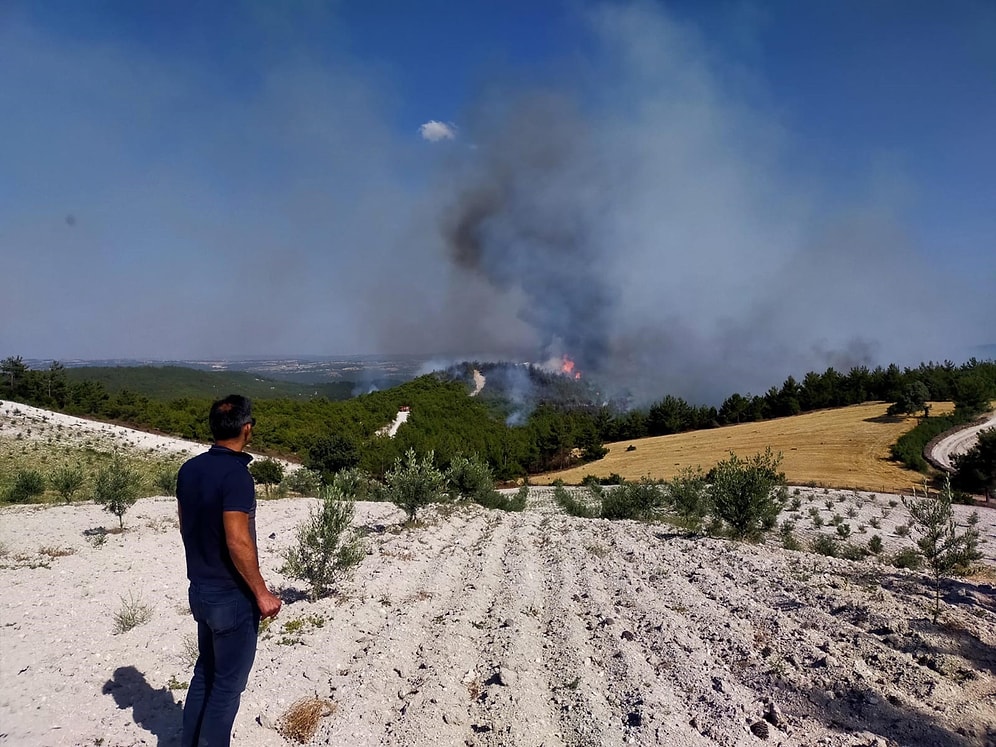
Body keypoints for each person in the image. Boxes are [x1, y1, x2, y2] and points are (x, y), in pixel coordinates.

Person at [176, 394, 282, 746]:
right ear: (247, 429)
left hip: (200, 590)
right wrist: (261, 592)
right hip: (230, 596)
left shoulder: (189, 470)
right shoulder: (237, 476)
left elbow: (184, 525)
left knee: (205, 672)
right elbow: (238, 541)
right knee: (227, 686)